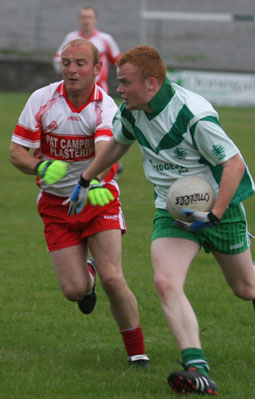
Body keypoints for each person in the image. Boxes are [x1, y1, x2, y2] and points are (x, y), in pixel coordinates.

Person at [67, 45, 255, 396]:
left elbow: (234, 165)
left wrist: (216, 214)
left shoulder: (192, 114)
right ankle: (197, 368)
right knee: (165, 281)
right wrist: (86, 179)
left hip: (220, 206)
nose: (118, 89)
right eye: (118, 82)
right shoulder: (131, 112)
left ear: (151, 83)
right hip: (172, 209)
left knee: (244, 289)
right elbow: (118, 143)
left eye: (125, 82)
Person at [9, 39, 149, 368]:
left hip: (98, 198)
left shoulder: (106, 106)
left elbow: (105, 152)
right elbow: (16, 153)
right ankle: (87, 280)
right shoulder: (41, 100)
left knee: (113, 277)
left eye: (81, 63)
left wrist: (95, 181)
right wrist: (39, 167)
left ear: (98, 69)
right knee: (74, 291)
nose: (72, 70)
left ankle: (137, 353)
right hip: (56, 207)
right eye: (67, 63)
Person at [54, 6, 121, 94]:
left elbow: (118, 61)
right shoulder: (71, 38)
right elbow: (58, 59)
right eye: (83, 17)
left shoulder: (105, 39)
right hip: (74, 88)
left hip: (100, 88)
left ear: (95, 20)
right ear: (79, 20)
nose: (86, 21)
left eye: (89, 17)